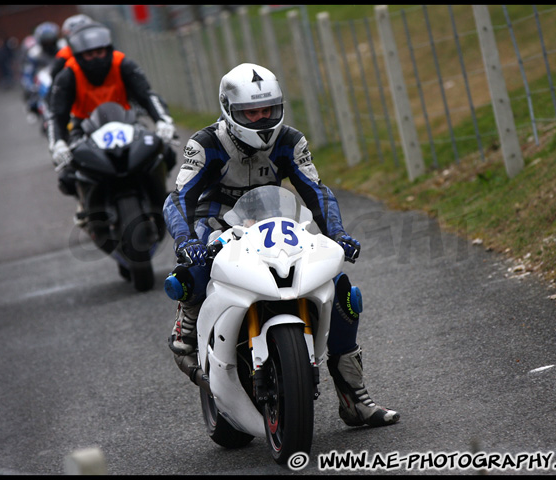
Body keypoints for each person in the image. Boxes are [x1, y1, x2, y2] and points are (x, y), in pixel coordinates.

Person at [163, 62, 399, 428]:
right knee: (197, 263)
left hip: (276, 214)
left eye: (267, 110)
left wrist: (336, 233)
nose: (260, 119)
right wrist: (186, 241)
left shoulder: (291, 139)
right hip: (217, 218)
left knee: (340, 289)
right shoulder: (205, 143)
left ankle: (353, 397)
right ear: (228, 109)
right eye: (250, 112)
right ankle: (188, 325)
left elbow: (316, 190)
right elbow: (178, 198)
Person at [47, 22, 177, 196]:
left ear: (108, 49)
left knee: (164, 152)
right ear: (79, 55)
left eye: (100, 52)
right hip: (83, 127)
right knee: (68, 175)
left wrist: (163, 121)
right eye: (89, 54)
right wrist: (58, 143)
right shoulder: (67, 75)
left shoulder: (122, 63)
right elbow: (57, 114)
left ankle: (161, 197)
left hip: (126, 120)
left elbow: (147, 95)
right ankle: (85, 208)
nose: (97, 58)